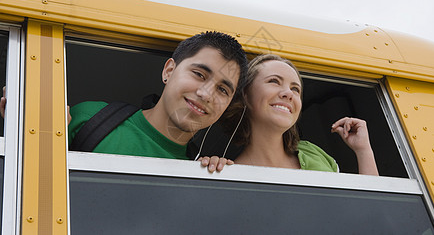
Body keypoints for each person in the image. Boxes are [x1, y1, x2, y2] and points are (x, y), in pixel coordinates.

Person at [2, 31, 248, 172]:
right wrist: (22, 128)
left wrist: (220, 179)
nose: (206, 94)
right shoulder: (91, 119)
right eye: (199, 74)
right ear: (169, 71)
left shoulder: (200, 171)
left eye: (223, 90)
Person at [223, 54, 378, 175]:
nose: (288, 94)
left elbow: (371, 212)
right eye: (274, 81)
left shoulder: (314, 154)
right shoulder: (229, 173)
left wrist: (363, 150)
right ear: (245, 94)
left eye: (295, 89)